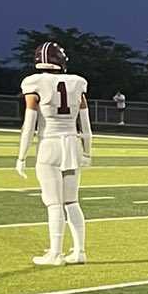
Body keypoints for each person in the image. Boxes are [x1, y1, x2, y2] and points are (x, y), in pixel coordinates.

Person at [15, 40, 90, 267]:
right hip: (73, 144)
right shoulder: (77, 83)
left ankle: (55, 254)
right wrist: (87, 152)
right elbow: (85, 125)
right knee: (72, 201)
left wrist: (21, 157)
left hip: (49, 145)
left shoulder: (34, 82)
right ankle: (79, 251)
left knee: (54, 203)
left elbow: (29, 125)